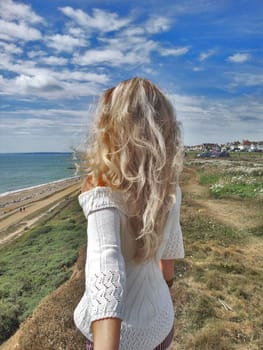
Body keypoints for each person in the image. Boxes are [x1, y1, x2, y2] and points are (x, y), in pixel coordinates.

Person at [74, 77, 185, 350]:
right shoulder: (170, 186)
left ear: (112, 127)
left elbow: (105, 271)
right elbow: (168, 260)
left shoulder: (103, 190)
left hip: (119, 340)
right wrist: (159, 292)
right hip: (161, 325)